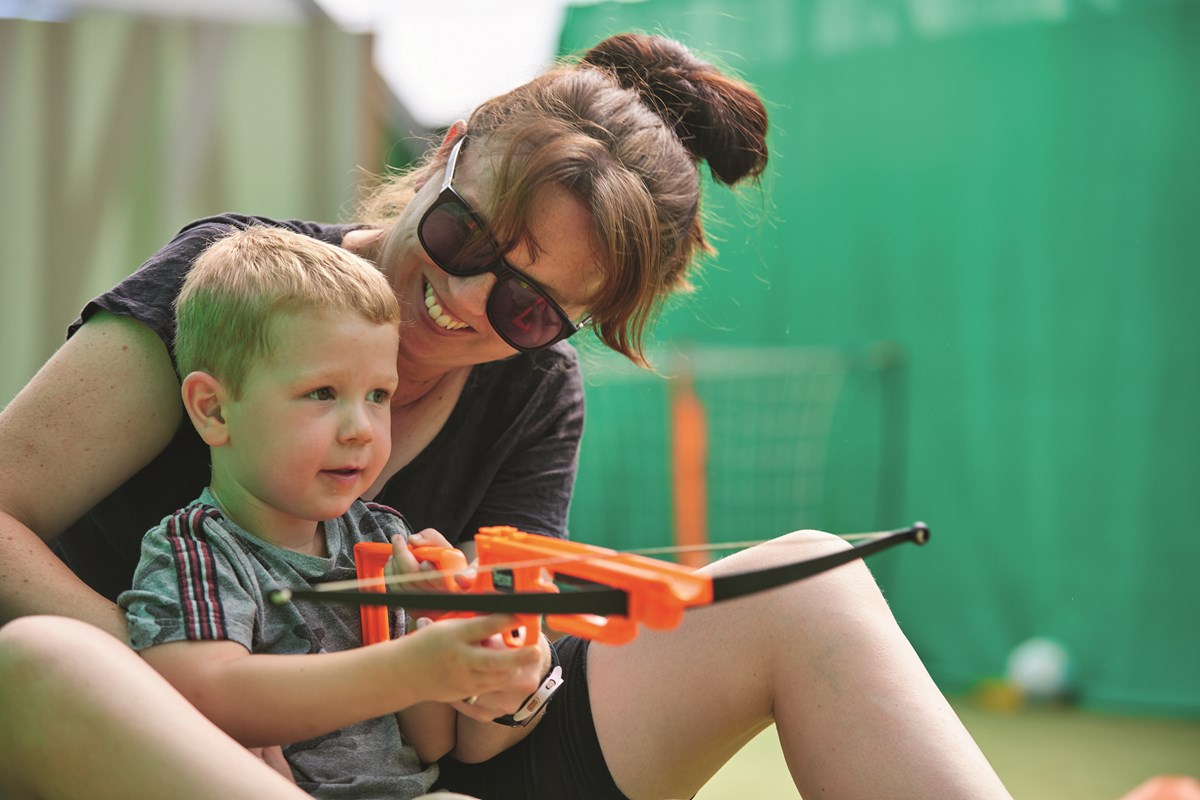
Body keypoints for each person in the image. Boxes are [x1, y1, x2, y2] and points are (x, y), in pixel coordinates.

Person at [0, 31, 1013, 800]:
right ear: (448, 149)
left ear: (573, 326)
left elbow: (476, 738)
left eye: (529, 308)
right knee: (43, 662)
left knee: (811, 587)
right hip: (136, 737)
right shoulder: (231, 282)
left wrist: (498, 669)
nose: (463, 296)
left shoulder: (534, 392)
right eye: (463, 231)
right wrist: (181, 692)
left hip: (398, 764)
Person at [115, 225, 539, 795]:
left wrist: (436, 624)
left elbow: (429, 743)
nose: (361, 429)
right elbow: (208, 697)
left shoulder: (383, 536)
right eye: (322, 394)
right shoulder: (196, 552)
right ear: (213, 410)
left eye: (378, 396)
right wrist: (412, 665)